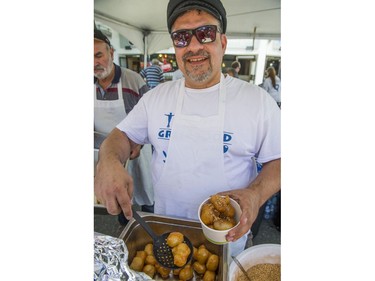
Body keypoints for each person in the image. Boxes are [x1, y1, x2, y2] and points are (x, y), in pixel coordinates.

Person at [94, 0, 280, 258]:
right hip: (163, 236)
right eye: (182, 37)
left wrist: (256, 194)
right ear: (174, 46)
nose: (194, 46)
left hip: (228, 242)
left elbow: (279, 160)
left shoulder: (258, 102)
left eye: (206, 34)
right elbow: (121, 136)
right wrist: (109, 160)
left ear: (222, 43)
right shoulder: (156, 98)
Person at [94, 28, 154, 225]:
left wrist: (138, 145)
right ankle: (127, 227)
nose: (94, 63)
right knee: (120, 201)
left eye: (99, 55)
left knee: (146, 196)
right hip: (102, 154)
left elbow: (151, 119)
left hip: (135, 151)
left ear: (111, 52)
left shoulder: (133, 80)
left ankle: (151, 223)